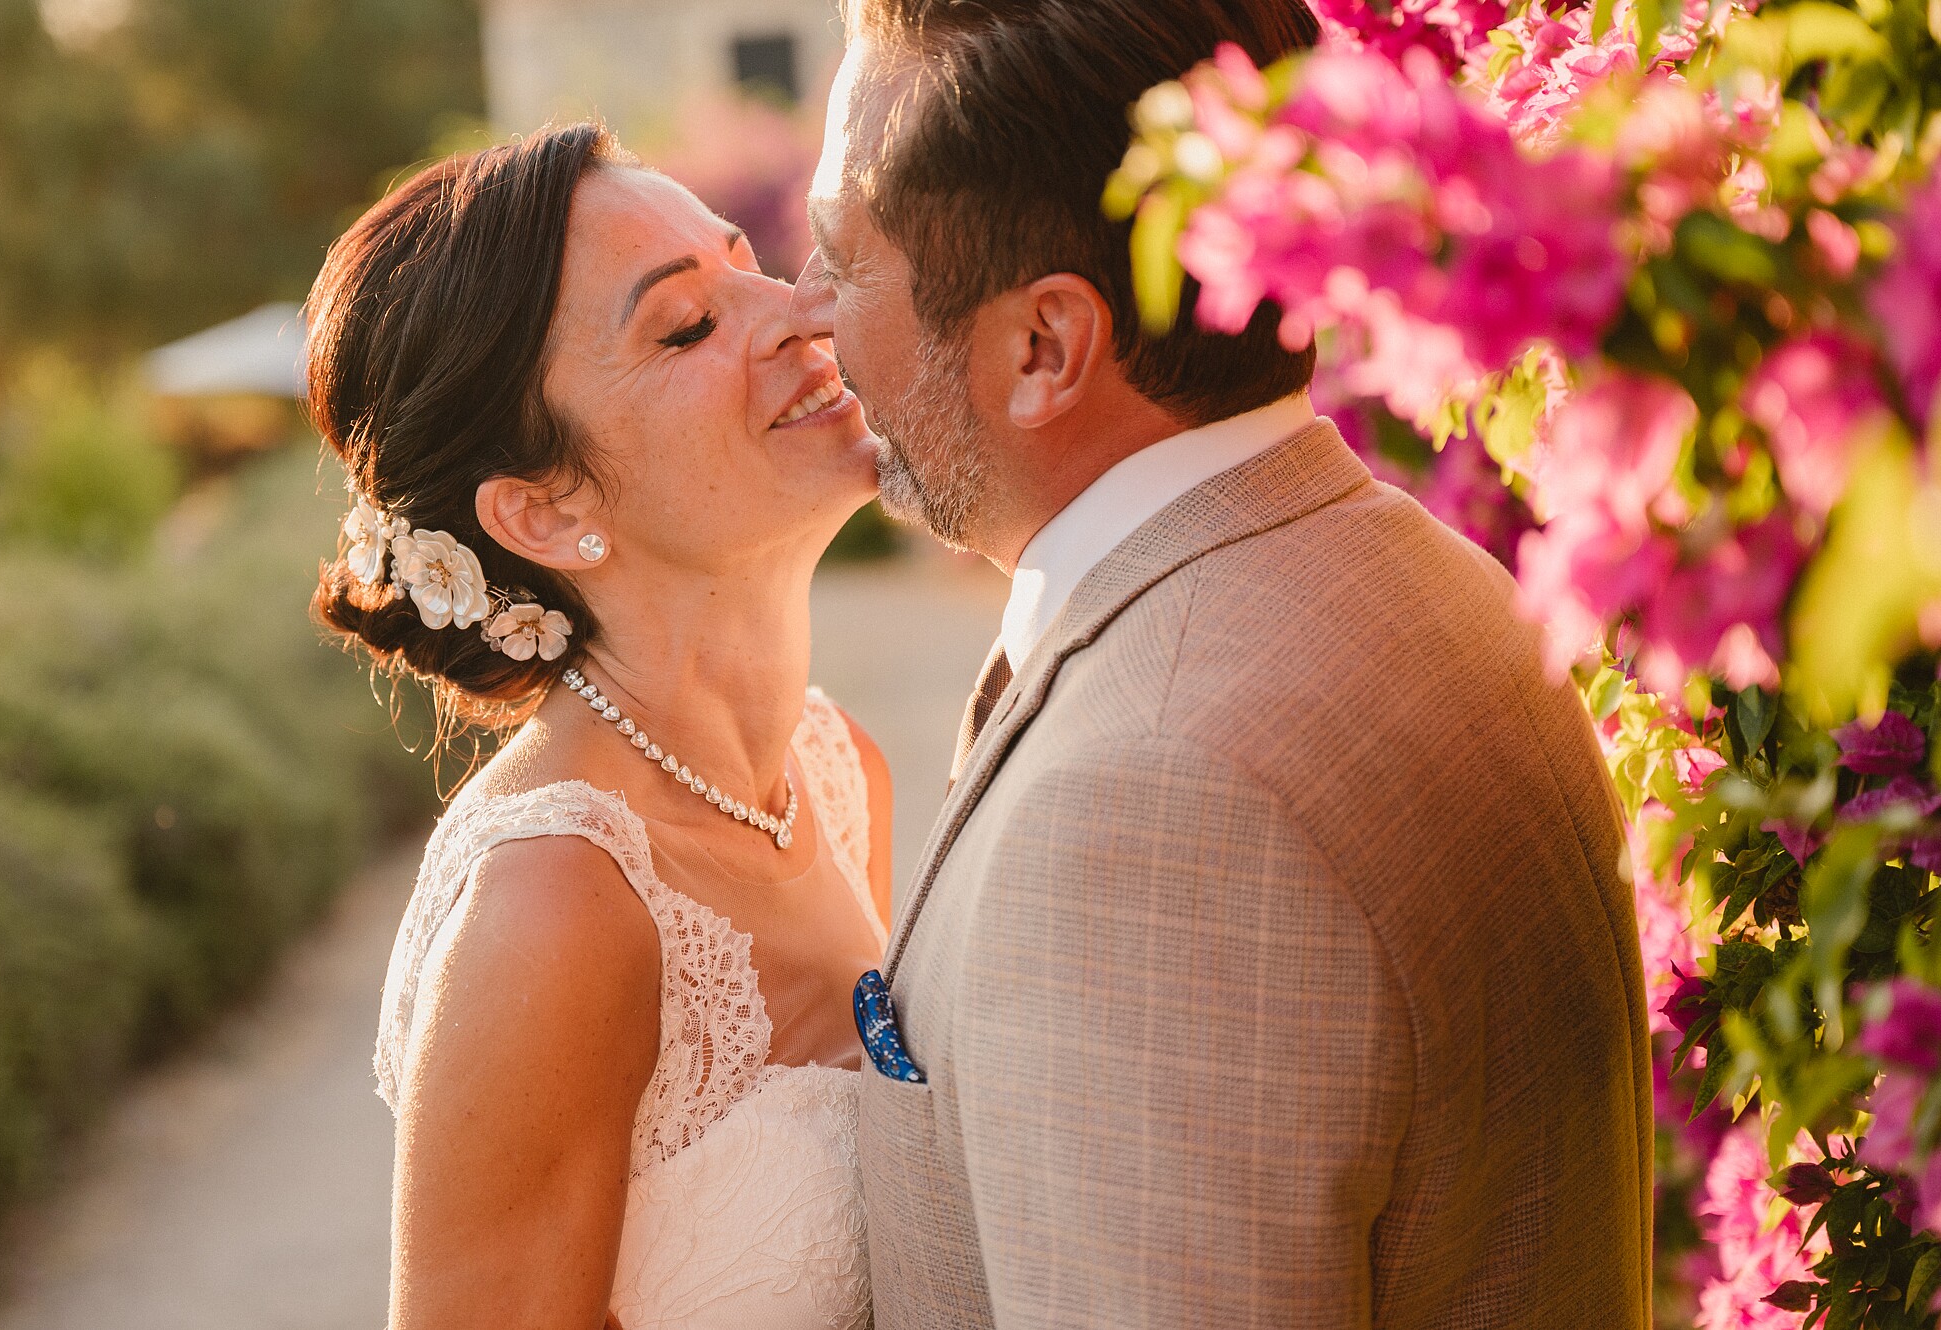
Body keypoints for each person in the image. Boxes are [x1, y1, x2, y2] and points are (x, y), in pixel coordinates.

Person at [794, 1, 1656, 1326]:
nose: (805, 318)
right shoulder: (1425, 579)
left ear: (1044, 347)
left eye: (840, 259)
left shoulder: (1150, 802)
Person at [309, 124, 888, 1329]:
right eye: (684, 325)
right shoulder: (555, 905)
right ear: (542, 508)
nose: (794, 310)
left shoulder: (836, 774)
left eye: (751, 262)